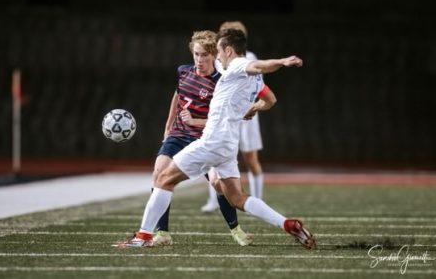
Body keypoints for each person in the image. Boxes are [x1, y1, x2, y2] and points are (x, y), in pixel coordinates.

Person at [117, 28, 316, 249]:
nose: (217, 56)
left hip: (212, 140)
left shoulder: (239, 66)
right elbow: (270, 100)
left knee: (163, 179)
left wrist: (282, 61)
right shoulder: (249, 78)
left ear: (229, 51)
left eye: (219, 51)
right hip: (229, 146)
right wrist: (254, 107)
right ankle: (287, 223)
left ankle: (143, 237)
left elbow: (259, 65)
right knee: (237, 198)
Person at [139, 30, 256, 246]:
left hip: (205, 138)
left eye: (204, 55)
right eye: (196, 54)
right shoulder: (183, 72)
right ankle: (162, 233)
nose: (199, 60)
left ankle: (236, 230)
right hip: (178, 134)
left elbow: (221, 119)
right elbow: (178, 95)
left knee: (218, 184)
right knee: (159, 173)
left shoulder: (221, 82)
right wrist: (168, 125)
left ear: (214, 56)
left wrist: (195, 121)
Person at [201, 21, 267, 213]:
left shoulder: (250, 58)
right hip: (224, 116)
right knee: (215, 154)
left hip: (246, 113)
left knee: (250, 158)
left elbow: (258, 86)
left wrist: (253, 106)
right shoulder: (217, 59)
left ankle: (257, 199)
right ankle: (214, 199)